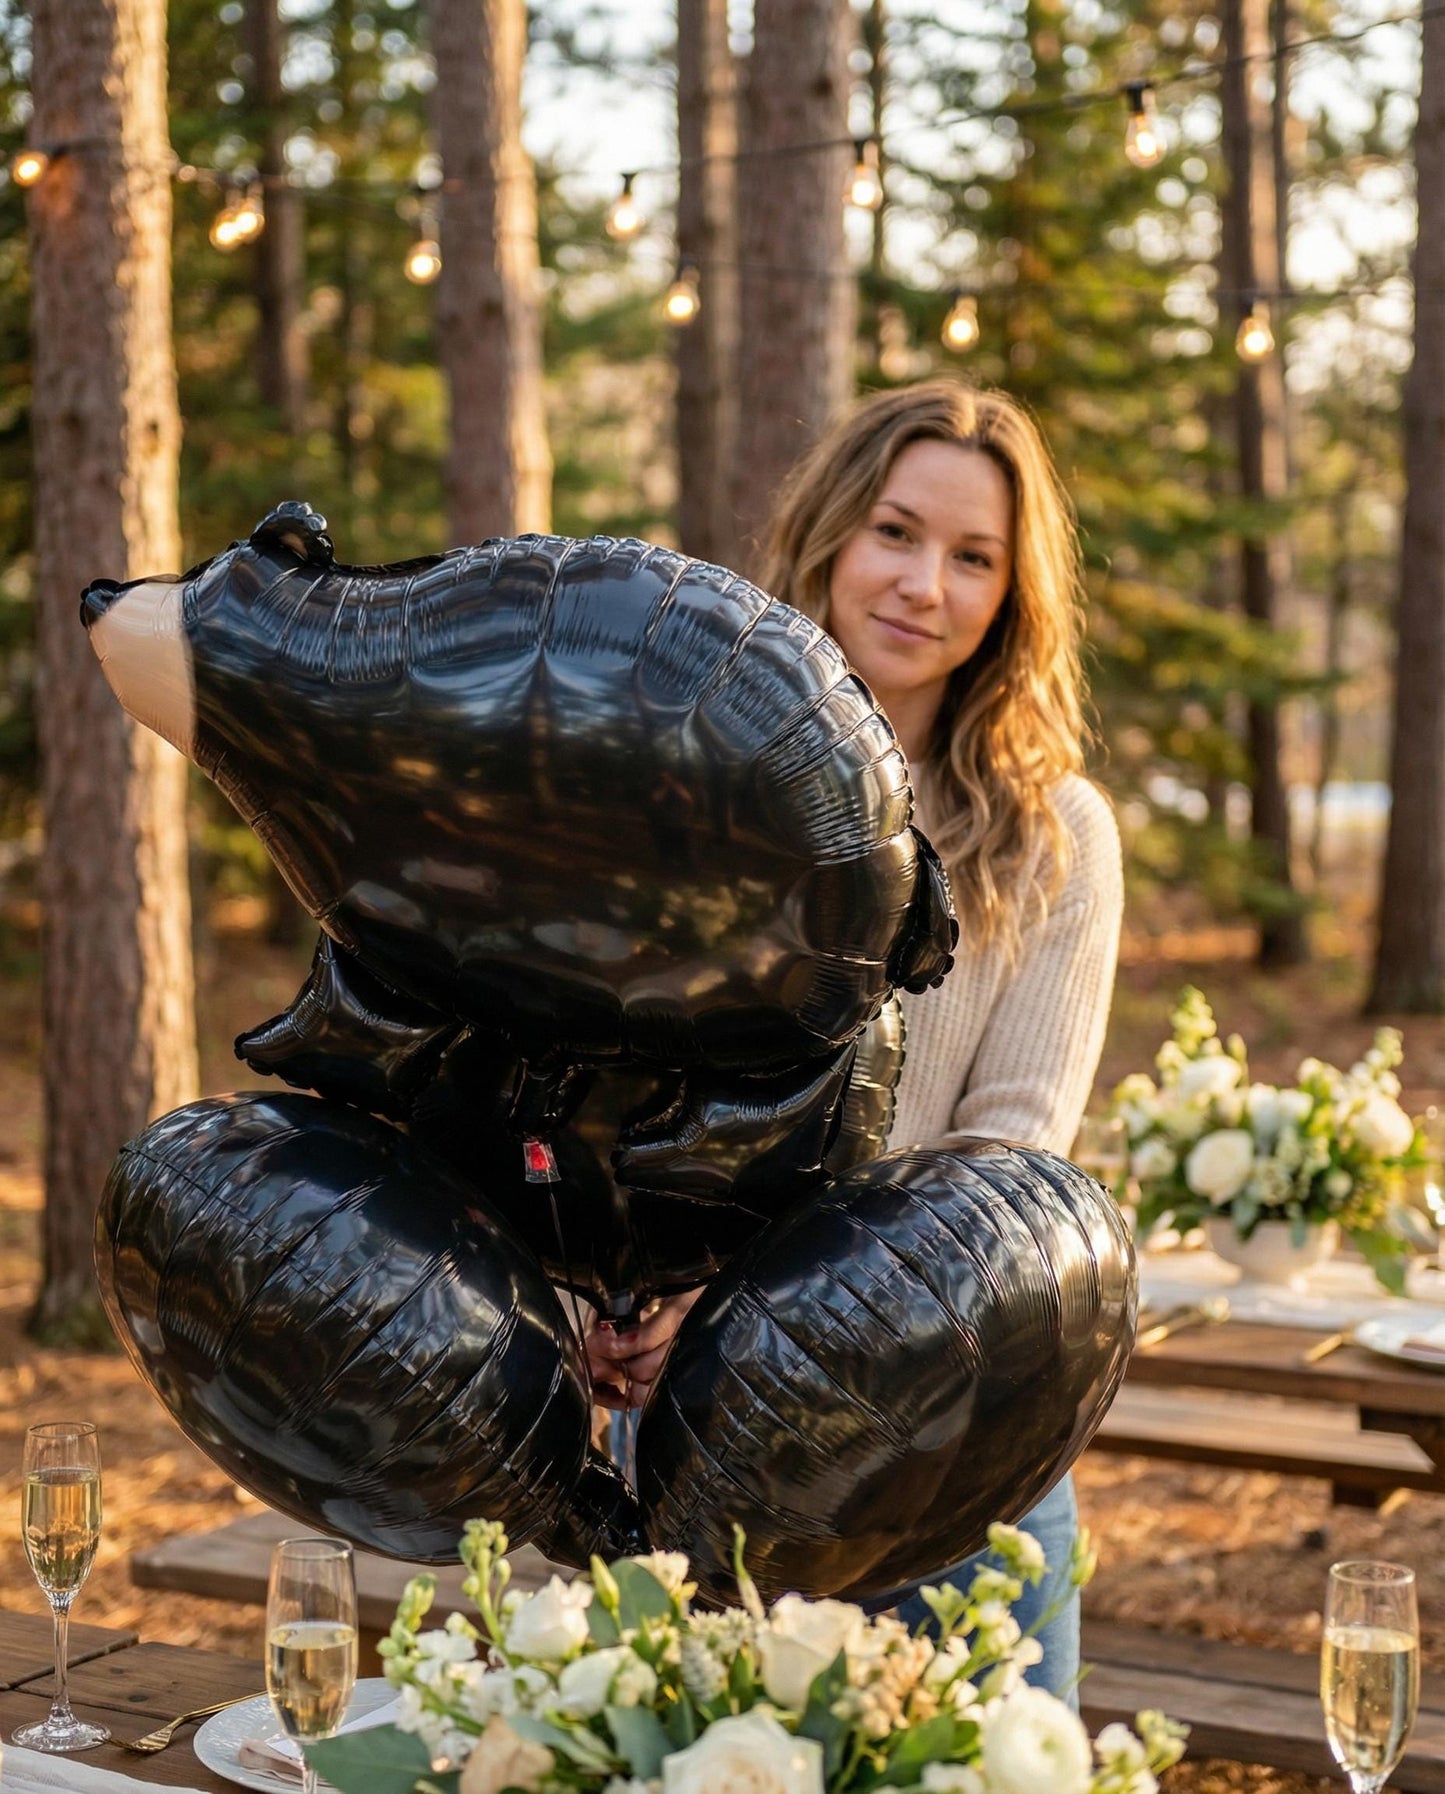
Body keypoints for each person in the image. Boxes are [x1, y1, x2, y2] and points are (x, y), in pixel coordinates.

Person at [587, 379, 1123, 1701]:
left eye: (972, 557)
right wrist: (604, 1298)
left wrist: (742, 1307)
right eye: (894, 531)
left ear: (1011, 597)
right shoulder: (681, 789)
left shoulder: (1054, 834)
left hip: (953, 1459)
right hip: (692, 1446)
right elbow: (590, 1090)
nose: (921, 584)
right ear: (828, 533)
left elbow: (996, 1173)